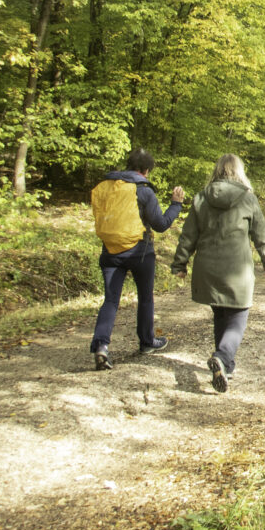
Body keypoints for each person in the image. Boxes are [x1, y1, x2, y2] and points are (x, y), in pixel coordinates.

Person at [171, 154, 265, 393]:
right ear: (239, 171)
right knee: (238, 316)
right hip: (237, 269)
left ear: (217, 171)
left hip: (207, 268)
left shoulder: (201, 198)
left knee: (220, 313)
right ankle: (222, 355)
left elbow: (188, 236)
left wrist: (180, 264)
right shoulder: (247, 198)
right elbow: (261, 233)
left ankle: (226, 366)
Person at [89, 148, 184, 371]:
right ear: (146, 170)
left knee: (111, 300)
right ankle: (147, 341)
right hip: (140, 252)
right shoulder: (143, 190)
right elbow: (160, 224)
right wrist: (176, 204)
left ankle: (101, 346)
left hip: (110, 250)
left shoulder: (105, 185)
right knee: (145, 298)